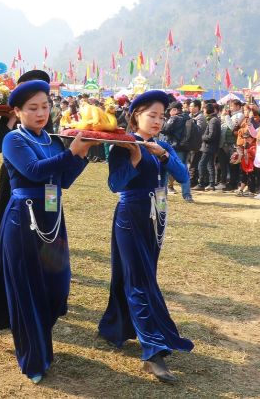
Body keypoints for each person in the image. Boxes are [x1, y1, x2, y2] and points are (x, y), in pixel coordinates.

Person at [0, 80, 92, 384]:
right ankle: (34, 356)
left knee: (57, 287)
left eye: (45, 106)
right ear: (17, 111)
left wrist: (82, 155)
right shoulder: (13, 140)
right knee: (28, 289)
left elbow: (64, 179)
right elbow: (33, 171)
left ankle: (39, 339)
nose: (41, 112)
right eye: (32, 108)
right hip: (23, 220)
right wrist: (72, 153)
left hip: (53, 217)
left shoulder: (52, 139)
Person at [97, 90, 193, 384]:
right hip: (130, 217)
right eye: (151, 115)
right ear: (136, 115)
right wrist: (136, 157)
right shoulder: (122, 145)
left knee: (138, 274)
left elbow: (184, 175)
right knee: (139, 281)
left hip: (157, 218)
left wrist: (162, 154)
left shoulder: (163, 145)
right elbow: (115, 184)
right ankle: (152, 351)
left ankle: (114, 326)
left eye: (162, 116)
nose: (157, 121)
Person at [0, 70, 51, 253]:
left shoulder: (42, 114)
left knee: (43, 222)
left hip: (43, 178)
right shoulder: (12, 113)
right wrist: (12, 118)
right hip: (12, 175)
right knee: (4, 216)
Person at [161, 101, 193, 202]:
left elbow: (165, 129)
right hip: (184, 148)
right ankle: (187, 195)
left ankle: (162, 195)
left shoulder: (174, 118)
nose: (169, 112)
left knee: (164, 170)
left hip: (172, 147)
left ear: (174, 110)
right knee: (183, 171)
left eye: (170, 110)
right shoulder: (188, 117)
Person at [194, 102, 220, 191]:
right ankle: (211, 184)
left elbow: (211, 135)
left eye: (204, 110)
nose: (203, 112)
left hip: (209, 146)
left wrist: (202, 137)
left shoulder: (213, 120)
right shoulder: (213, 119)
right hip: (210, 146)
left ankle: (201, 183)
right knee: (210, 165)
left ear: (208, 110)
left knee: (201, 164)